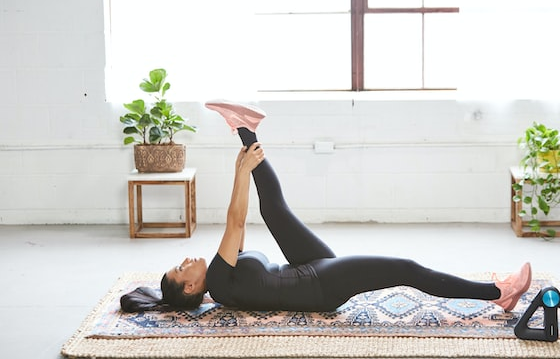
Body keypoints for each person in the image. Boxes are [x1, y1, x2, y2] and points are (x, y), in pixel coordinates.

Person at [121, 102, 532, 314]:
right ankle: (497, 293)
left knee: (275, 211)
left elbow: (241, 227)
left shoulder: (221, 279)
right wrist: (240, 174)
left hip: (308, 267)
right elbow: (233, 219)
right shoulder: (220, 281)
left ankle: (246, 129)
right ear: (191, 287)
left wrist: (242, 168)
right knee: (405, 268)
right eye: (181, 269)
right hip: (320, 287)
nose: (186, 261)